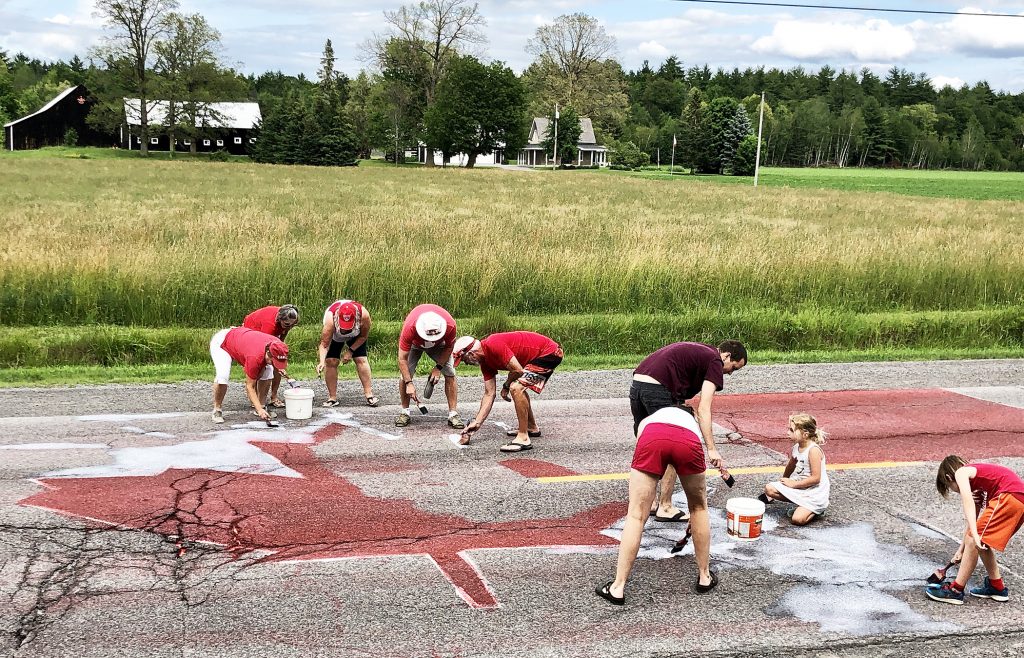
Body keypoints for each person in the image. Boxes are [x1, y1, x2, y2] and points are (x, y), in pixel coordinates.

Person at [595, 404, 717, 605]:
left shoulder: (649, 420)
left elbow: (650, 451)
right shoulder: (691, 424)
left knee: (636, 515)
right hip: (687, 441)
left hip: (652, 438)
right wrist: (696, 519)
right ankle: (705, 576)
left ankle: (617, 587)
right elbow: (678, 457)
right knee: (698, 508)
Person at [630, 340, 747, 522]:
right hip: (658, 388)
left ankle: (648, 502)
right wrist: (711, 448)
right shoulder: (715, 360)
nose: (730, 373)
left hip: (638, 384)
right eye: (733, 368)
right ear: (727, 356)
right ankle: (665, 506)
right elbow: (704, 408)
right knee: (671, 441)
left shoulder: (703, 352)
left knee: (648, 442)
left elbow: (677, 373)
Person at [926, 456, 1024, 605]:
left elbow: (968, 505)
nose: (956, 491)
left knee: (975, 538)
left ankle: (956, 590)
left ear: (948, 477)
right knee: (980, 542)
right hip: (1018, 500)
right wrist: (960, 550)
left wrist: (974, 536)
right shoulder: (977, 480)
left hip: (1009, 496)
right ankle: (996, 587)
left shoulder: (961, 473)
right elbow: (974, 521)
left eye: (950, 487)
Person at [453, 331, 563, 452]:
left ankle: (523, 438)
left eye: (464, 360)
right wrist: (477, 423)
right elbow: (489, 394)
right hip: (536, 358)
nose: (466, 364)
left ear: (471, 354)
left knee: (516, 388)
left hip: (550, 352)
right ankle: (531, 427)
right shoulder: (485, 363)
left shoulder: (493, 344)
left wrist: (506, 385)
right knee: (518, 387)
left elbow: (518, 371)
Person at [396, 304, 464, 429]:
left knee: (450, 372)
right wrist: (409, 383)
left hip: (440, 345)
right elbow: (402, 359)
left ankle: (453, 414)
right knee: (405, 374)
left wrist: (438, 368)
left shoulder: (450, 325)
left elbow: (449, 347)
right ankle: (404, 412)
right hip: (415, 344)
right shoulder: (410, 327)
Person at [209, 326, 290, 424]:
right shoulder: (254, 357)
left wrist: (280, 368)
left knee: (268, 371)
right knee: (223, 376)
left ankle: (261, 405)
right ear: (268, 354)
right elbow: (249, 386)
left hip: (240, 339)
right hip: (222, 342)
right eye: (275, 361)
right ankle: (217, 409)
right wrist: (260, 410)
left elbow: (277, 360)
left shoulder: (278, 344)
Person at [760, 413, 830, 525]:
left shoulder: (813, 451)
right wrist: (783, 482)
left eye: (792, 430)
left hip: (814, 493)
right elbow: (790, 465)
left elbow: (816, 478)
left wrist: (793, 484)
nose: (788, 433)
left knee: (797, 520)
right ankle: (801, 504)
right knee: (769, 489)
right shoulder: (797, 447)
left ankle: (817, 510)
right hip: (801, 487)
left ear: (805, 434)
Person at [316, 299, 378, 407]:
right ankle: (332, 398)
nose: (345, 331)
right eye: (344, 328)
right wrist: (321, 362)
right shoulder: (330, 320)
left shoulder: (364, 316)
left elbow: (363, 336)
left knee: (361, 359)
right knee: (331, 361)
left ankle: (369, 395)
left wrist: (350, 351)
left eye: (348, 327)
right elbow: (324, 344)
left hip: (356, 335)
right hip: (335, 336)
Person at [242, 305, 299, 408]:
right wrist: (274, 362)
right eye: (287, 324)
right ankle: (255, 399)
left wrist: (280, 359)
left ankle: (274, 397)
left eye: (292, 325)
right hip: (252, 330)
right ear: (279, 319)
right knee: (260, 365)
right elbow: (264, 347)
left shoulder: (289, 320)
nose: (289, 327)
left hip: (267, 331)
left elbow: (281, 339)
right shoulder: (270, 325)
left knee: (279, 362)